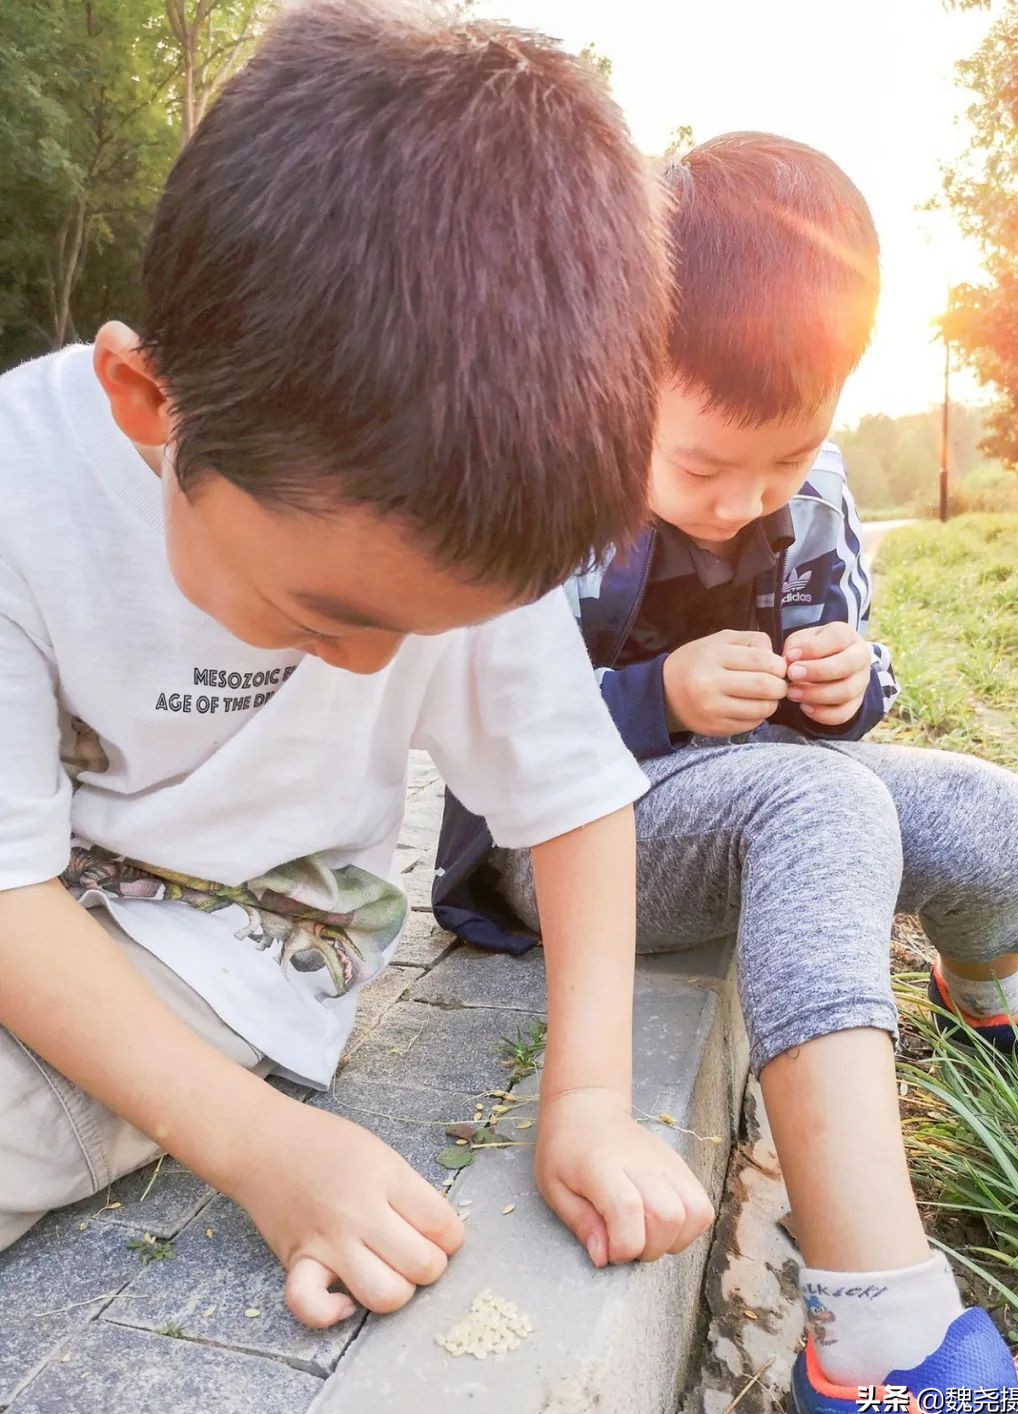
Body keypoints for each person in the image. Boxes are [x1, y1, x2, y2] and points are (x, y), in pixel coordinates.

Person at [0, 0, 718, 1329]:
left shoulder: (444, 518)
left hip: (239, 933)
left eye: (431, 628)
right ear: (148, 407)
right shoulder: (18, 489)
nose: (381, 661)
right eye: (329, 611)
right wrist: (261, 1151)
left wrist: (590, 1104)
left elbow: (572, 796)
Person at [435, 133, 1018, 1414]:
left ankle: (993, 1001)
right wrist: (658, 695)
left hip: (766, 788)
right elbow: (493, 723)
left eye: (782, 466)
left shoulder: (815, 494)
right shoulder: (560, 480)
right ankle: (878, 1340)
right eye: (704, 471)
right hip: (582, 829)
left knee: (996, 813)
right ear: (629, 375)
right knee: (820, 803)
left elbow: (839, 686)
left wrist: (855, 683)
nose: (743, 505)